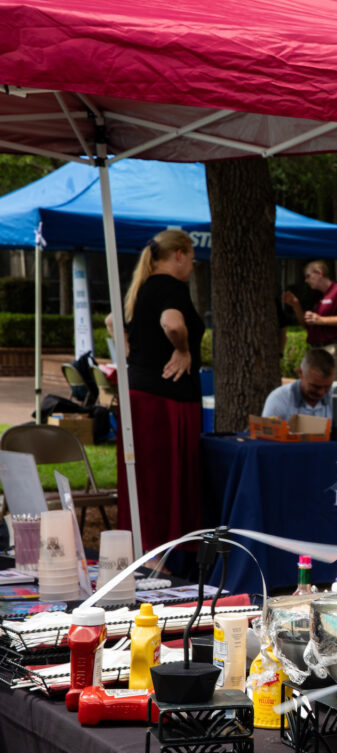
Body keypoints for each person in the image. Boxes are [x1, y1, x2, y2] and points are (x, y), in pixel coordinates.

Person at [107, 229, 205, 555]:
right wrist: (183, 349)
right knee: (164, 483)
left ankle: (139, 552)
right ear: (178, 254)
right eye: (191, 258)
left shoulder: (141, 288)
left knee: (142, 484)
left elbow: (111, 322)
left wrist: (130, 355)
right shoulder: (171, 287)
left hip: (139, 395)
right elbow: (173, 324)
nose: (192, 265)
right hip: (165, 402)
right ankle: (161, 556)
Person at [282, 260, 337, 379]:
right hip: (315, 348)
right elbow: (306, 325)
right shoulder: (317, 296)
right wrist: (296, 305)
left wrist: (321, 320)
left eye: (308, 276)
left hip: (332, 347)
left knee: (329, 385)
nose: (306, 280)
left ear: (319, 273)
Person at [262, 348, 337, 424]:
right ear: (300, 373)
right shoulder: (279, 398)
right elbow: (267, 431)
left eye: (327, 386)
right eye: (315, 386)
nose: (321, 392)